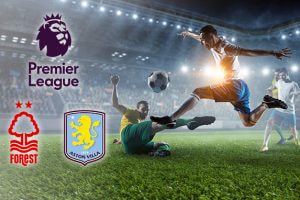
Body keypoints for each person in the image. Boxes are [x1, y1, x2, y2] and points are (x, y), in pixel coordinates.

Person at [151, 25, 290, 128]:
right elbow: (199, 37)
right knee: (248, 122)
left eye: (204, 40)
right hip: (242, 87)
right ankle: (266, 104)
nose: (202, 43)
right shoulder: (210, 42)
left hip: (233, 86)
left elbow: (249, 52)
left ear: (212, 36)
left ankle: (171, 118)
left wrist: (273, 52)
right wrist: (188, 33)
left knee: (198, 92)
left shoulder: (226, 47)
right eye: (201, 40)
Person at [111, 75, 216, 155]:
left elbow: (129, 138)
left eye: (147, 110)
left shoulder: (137, 122)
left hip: (132, 148)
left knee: (163, 144)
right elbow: (115, 104)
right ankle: (189, 121)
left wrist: (119, 141)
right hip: (128, 135)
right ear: (136, 108)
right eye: (143, 110)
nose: (145, 112)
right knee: (158, 124)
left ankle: (161, 153)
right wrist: (115, 85)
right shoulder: (130, 112)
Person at [261, 69, 300, 151]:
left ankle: (296, 139)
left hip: (289, 110)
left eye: (283, 75)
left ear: (287, 74)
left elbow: (298, 93)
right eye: (280, 75)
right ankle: (265, 145)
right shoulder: (279, 82)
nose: (281, 77)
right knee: (270, 123)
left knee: (293, 129)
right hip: (278, 109)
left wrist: (293, 94)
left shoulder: (293, 84)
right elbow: (269, 89)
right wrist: (270, 95)